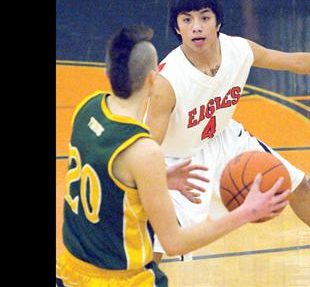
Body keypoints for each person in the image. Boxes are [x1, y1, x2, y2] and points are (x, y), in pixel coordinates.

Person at [145, 0, 310, 279]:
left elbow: (296, 62)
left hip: (225, 139)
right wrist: (154, 179)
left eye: (204, 17)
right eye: (186, 20)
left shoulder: (239, 50)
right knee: (156, 246)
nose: (196, 27)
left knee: (294, 183)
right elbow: (148, 144)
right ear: (177, 28)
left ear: (218, 22)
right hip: (177, 162)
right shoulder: (167, 82)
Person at [55, 25, 290, 287]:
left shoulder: (87, 109)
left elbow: (103, 172)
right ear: (153, 79)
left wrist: (156, 179)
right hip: (121, 280)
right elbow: (175, 242)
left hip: (69, 273)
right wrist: (246, 212)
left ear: (107, 72)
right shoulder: (144, 151)